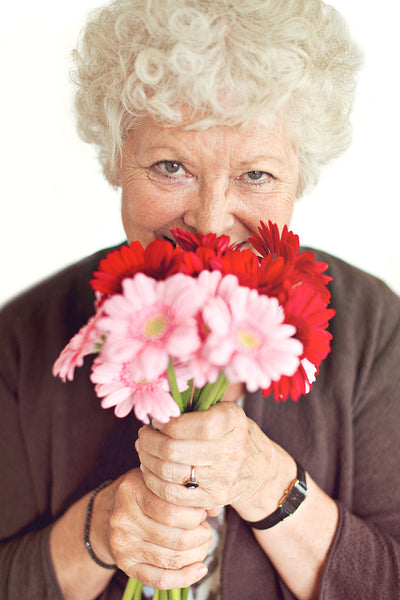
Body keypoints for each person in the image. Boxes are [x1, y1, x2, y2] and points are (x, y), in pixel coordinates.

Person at [1, 1, 399, 599]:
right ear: (115, 157)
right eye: (171, 166)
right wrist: (99, 533)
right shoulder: (23, 339)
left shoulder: (374, 330)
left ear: (300, 172)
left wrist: (268, 484)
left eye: (256, 176)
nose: (211, 225)